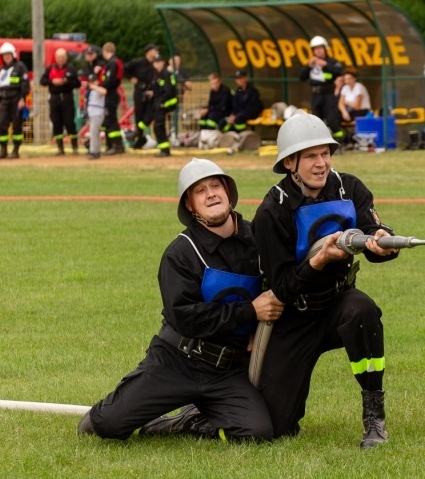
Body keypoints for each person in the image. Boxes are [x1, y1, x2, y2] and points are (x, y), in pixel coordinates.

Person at [78, 158, 284, 442]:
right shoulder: (180, 253)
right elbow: (186, 317)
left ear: (228, 192)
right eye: (200, 191)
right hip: (177, 361)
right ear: (190, 205)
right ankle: (112, 409)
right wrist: (249, 312)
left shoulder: (259, 238)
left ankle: (190, 421)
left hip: (227, 370)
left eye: (215, 186)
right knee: (105, 426)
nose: (211, 193)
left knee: (257, 432)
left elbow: (281, 287)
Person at [251, 110, 399, 448]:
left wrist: (383, 239)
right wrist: (318, 260)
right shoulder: (272, 212)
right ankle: (194, 417)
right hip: (293, 318)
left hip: (337, 305)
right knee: (275, 426)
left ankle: (374, 418)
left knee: (362, 311)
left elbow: (374, 240)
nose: (321, 163)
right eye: (311, 156)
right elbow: (284, 287)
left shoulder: (351, 188)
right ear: (290, 163)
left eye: (326, 153)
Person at [299, 36, 344, 145]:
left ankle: (341, 140)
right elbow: (301, 77)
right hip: (316, 95)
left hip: (329, 94)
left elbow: (339, 71)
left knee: (331, 119)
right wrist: (308, 66)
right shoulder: (311, 63)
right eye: (316, 49)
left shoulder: (332, 62)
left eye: (320, 48)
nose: (318, 51)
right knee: (316, 120)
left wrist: (325, 65)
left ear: (325, 49)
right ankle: (319, 144)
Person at [40, 48, 81, 156]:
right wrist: (52, 81)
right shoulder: (50, 68)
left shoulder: (71, 68)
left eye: (63, 57)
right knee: (56, 123)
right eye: (59, 57)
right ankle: (60, 148)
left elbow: (77, 83)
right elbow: (42, 81)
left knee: (70, 123)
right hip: (54, 98)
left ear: (66, 58)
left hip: (67, 97)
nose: (61, 59)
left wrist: (66, 82)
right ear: (56, 58)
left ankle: (75, 147)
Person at [0, 41, 29, 160]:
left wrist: (22, 99)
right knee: (1, 124)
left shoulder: (20, 67)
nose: (6, 57)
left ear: (13, 55)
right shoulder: (1, 69)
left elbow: (25, 84)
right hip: (4, 100)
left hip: (16, 99)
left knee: (17, 125)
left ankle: (15, 151)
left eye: (8, 55)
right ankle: (3, 150)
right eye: (4, 55)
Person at [126, 43, 158, 149]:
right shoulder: (138, 62)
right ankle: (139, 139)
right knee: (139, 116)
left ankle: (135, 133)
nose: (157, 52)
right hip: (140, 92)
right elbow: (125, 68)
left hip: (151, 92)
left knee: (150, 114)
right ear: (149, 52)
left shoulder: (155, 63)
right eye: (155, 50)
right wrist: (131, 78)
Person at [98, 42, 125, 155]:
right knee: (108, 121)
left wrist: (101, 86)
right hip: (110, 94)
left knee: (111, 120)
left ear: (105, 51)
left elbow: (110, 80)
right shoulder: (111, 63)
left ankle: (116, 145)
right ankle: (111, 145)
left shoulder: (113, 63)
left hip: (111, 94)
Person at [151, 54, 178, 157]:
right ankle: (163, 149)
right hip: (159, 103)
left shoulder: (165, 74)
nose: (157, 64)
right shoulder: (159, 74)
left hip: (163, 104)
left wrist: (162, 102)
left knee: (159, 126)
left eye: (159, 62)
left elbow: (168, 90)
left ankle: (165, 150)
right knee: (158, 126)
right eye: (155, 62)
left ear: (163, 62)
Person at [84, 73, 106, 160]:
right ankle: (96, 150)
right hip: (91, 114)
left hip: (97, 113)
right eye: (90, 82)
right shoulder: (89, 92)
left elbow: (104, 91)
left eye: (93, 81)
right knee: (94, 133)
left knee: (94, 132)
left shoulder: (98, 89)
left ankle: (94, 151)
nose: (91, 83)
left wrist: (95, 87)